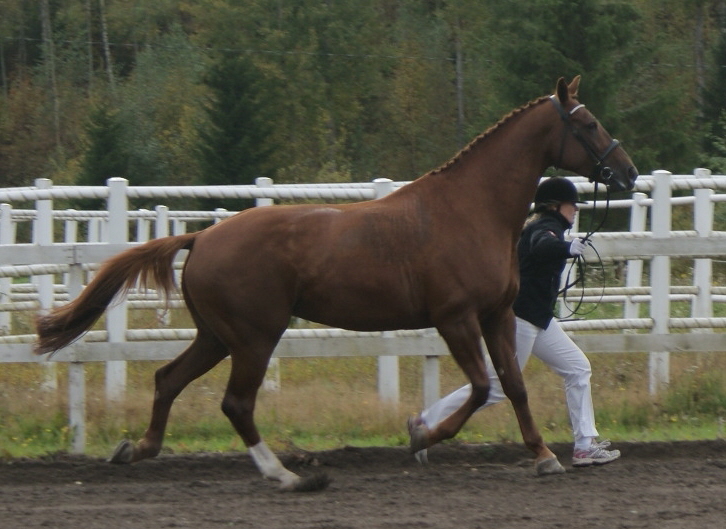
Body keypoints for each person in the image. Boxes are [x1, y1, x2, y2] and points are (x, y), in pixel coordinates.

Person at [409, 177, 620, 467]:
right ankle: (426, 421)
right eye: (572, 207)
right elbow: (541, 246)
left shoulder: (545, 225)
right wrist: (566, 248)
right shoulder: (546, 228)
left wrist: (565, 247)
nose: (575, 212)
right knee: (496, 386)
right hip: (521, 320)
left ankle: (585, 445)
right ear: (557, 207)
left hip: (539, 319)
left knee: (577, 368)